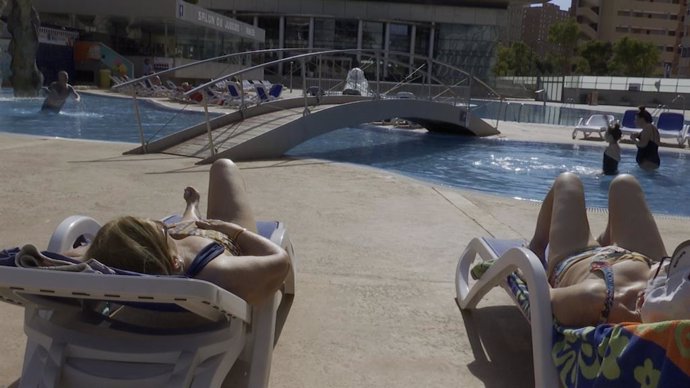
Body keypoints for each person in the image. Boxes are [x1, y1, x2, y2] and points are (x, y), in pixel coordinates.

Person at [66, 159, 291, 305]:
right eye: (164, 230)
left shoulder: (107, 263)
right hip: (225, 240)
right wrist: (233, 230)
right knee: (223, 167)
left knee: (186, 228)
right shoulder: (217, 273)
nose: (165, 226)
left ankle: (192, 208)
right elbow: (280, 261)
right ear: (174, 262)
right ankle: (193, 211)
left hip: (188, 249)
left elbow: (54, 258)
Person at [525, 172, 670, 326]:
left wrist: (528, 269)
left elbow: (544, 296)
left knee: (568, 181)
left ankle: (537, 247)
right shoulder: (668, 277)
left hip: (579, 258)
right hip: (647, 261)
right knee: (625, 183)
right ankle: (608, 237)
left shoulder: (596, 298)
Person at [630, 106, 660, 170]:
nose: (634, 121)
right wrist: (637, 136)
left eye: (636, 119)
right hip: (650, 161)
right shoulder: (650, 128)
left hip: (648, 162)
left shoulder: (648, 127)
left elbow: (643, 144)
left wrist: (633, 139)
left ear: (642, 119)